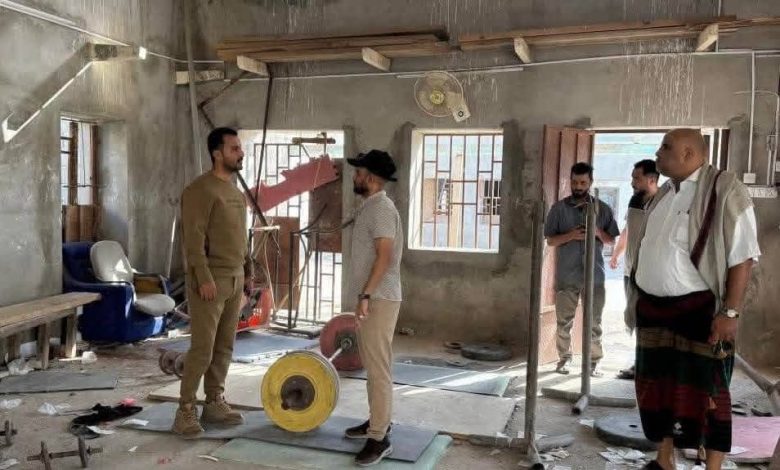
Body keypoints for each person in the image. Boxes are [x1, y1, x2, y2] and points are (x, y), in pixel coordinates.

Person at [629, 129, 760, 470]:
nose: (658, 153)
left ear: (688, 154)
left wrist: (730, 312)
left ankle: (712, 467)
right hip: (654, 310)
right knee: (657, 390)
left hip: (698, 311)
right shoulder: (664, 193)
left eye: (665, 147)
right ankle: (664, 460)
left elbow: (743, 257)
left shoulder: (726, 190)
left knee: (709, 394)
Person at [173, 127, 253, 436]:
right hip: (211, 280)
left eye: (240, 148)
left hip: (234, 278)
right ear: (217, 153)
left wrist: (248, 273)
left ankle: (214, 401)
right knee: (203, 349)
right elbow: (192, 239)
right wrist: (203, 276)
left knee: (225, 346)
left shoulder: (235, 193)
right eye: (234, 149)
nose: (240, 153)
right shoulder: (200, 190)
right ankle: (185, 410)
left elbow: (241, 238)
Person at [342, 150, 403, 467]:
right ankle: (377, 422)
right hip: (371, 297)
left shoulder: (381, 208)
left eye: (359, 172)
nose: (354, 176)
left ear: (371, 177)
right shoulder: (371, 206)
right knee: (372, 365)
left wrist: (366, 295)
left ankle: (379, 438)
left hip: (379, 298)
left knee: (378, 370)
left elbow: (385, 257)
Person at [544, 162, 620, 376]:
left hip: (594, 276)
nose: (578, 187)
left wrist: (596, 231)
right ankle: (564, 359)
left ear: (590, 182)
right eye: (575, 182)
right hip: (567, 275)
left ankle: (594, 361)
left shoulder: (603, 209)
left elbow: (611, 240)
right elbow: (550, 240)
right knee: (564, 321)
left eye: (583, 183)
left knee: (594, 321)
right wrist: (571, 235)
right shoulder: (558, 209)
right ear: (570, 181)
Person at [609, 159, 660, 380]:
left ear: (652, 179)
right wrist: (616, 254)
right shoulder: (634, 201)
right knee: (636, 318)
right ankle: (641, 363)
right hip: (630, 272)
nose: (632, 182)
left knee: (651, 321)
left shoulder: (663, 203)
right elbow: (627, 230)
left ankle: (648, 365)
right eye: (632, 178)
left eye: (636, 178)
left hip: (651, 274)